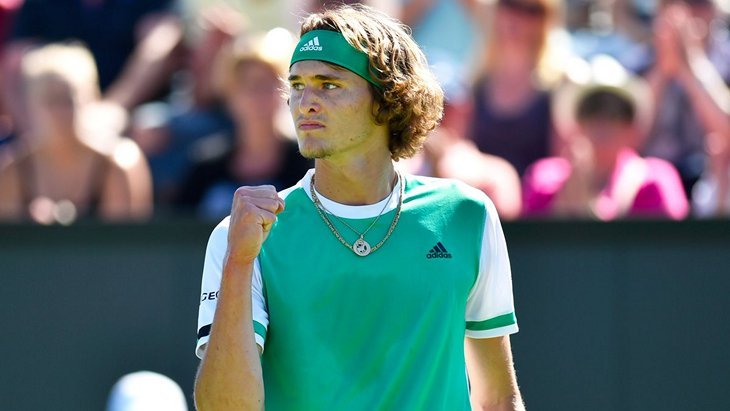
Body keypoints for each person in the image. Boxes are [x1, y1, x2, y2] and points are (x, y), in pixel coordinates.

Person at [194, 4, 524, 410]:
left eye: (328, 85)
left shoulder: (466, 215)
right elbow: (224, 407)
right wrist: (239, 262)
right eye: (297, 85)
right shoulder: (242, 237)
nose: (305, 102)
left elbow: (498, 398)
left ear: (387, 99)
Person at [0, 43, 152, 223]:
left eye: (68, 100)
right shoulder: (11, 169)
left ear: (91, 97)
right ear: (30, 105)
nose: (60, 112)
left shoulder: (120, 162)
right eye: (50, 100)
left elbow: (125, 238)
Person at [523, 55, 689, 220]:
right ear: (577, 123)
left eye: (618, 112)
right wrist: (566, 200)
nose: (603, 122)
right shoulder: (544, 180)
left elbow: (675, 234)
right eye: (591, 109)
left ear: (631, 125)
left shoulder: (656, 180)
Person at [176, 29, 312, 219]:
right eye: (249, 85)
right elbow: (179, 228)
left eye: (268, 84)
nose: (259, 96)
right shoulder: (204, 165)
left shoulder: (307, 163)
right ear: (229, 94)